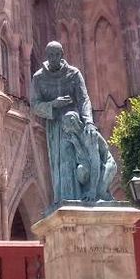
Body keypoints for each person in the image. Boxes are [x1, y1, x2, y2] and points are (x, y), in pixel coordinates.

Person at [30, 41, 97, 206]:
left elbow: (84, 99)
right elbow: (34, 106)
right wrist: (53, 104)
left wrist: (88, 121)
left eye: (56, 55)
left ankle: (82, 198)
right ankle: (65, 200)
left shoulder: (74, 74)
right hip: (55, 127)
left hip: (74, 123)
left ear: (62, 55)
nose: (53, 58)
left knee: (79, 159)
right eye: (50, 55)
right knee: (62, 164)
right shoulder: (39, 77)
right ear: (46, 56)